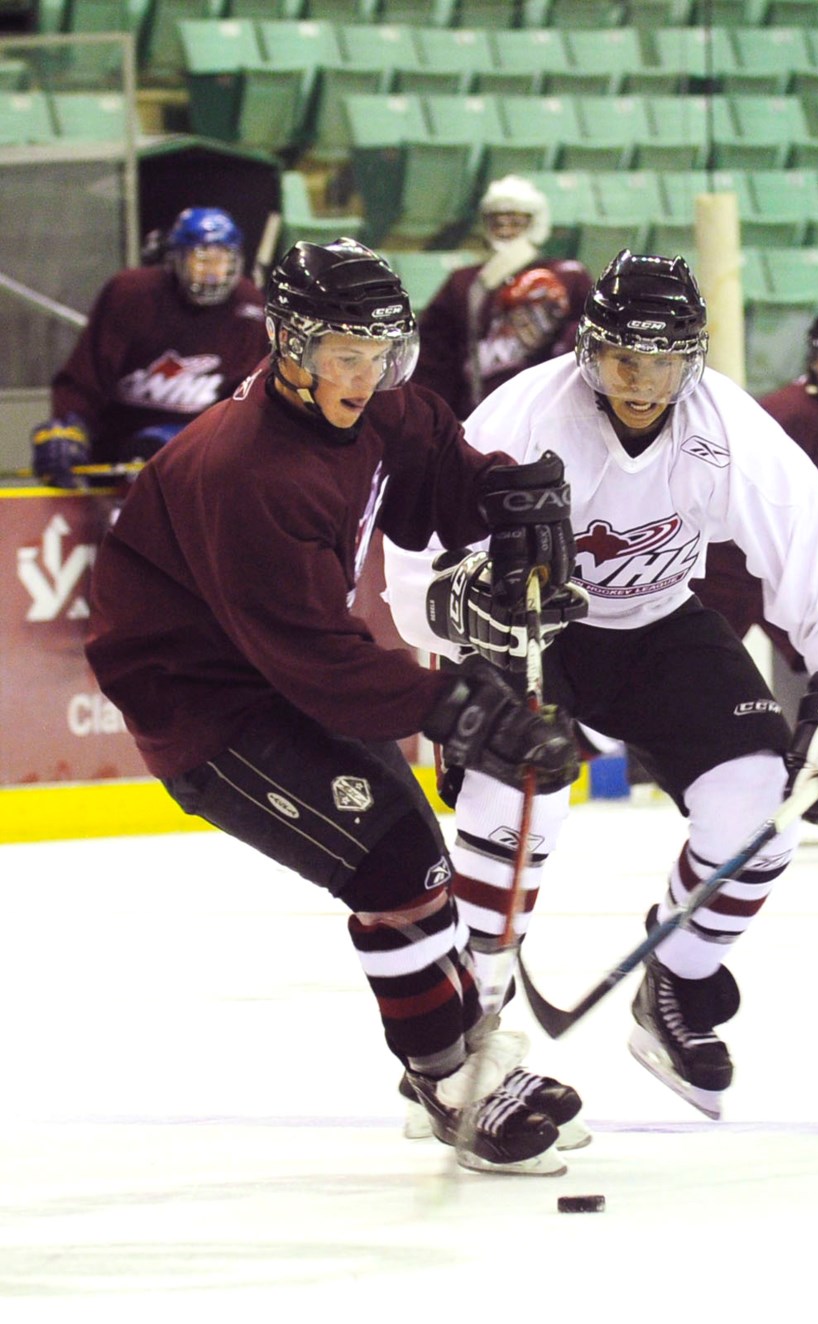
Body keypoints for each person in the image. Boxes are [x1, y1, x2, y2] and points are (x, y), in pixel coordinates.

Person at [83, 237, 591, 1178]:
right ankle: (449, 1078)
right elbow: (317, 664)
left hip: (273, 667)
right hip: (205, 703)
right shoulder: (247, 473)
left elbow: (436, 457)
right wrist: (462, 707)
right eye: (343, 354)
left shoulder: (380, 405)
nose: (366, 375)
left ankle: (455, 1058)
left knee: (411, 857)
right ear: (287, 345)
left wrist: (505, 495)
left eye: (379, 351)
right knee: (390, 866)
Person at [383, 252, 818, 1124]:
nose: (643, 381)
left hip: (661, 624)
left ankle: (678, 982)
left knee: (760, 799)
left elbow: (817, 561)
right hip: (534, 633)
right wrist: (462, 606)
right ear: (590, 349)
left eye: (665, 361)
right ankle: (462, 1039)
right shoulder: (521, 415)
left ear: (693, 357)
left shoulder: (725, 425)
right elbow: (415, 560)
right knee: (518, 809)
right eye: (626, 358)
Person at [692, 304, 818, 844]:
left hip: (779, 568)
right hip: (731, 566)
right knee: (686, 666)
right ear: (815, 360)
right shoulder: (787, 415)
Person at [30, 206, 268, 488]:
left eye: (223, 261)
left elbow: (250, 395)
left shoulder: (248, 305)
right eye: (202, 260)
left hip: (202, 458)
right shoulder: (130, 294)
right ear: (177, 258)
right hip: (117, 451)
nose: (214, 274)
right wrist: (70, 425)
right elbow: (87, 375)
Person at [412, 174, 594, 419]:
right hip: (477, 412)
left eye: (515, 221)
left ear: (535, 223)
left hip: (546, 412)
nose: (505, 229)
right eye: (497, 222)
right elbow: (434, 358)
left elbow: (584, 348)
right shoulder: (463, 283)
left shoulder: (570, 278)